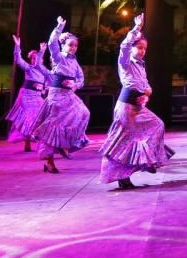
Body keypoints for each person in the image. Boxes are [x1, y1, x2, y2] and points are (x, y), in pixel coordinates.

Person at [98, 13, 171, 189]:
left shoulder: (141, 66)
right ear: (132, 48)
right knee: (124, 141)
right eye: (139, 47)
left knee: (158, 125)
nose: (142, 51)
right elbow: (124, 46)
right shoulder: (125, 62)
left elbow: (147, 87)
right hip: (126, 107)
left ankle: (148, 161)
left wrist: (147, 93)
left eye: (144, 48)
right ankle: (122, 177)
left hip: (138, 107)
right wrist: (136, 29)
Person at [32, 17, 90, 174]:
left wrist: (76, 84)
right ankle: (49, 162)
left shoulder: (74, 61)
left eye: (76, 45)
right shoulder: (59, 57)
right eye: (70, 45)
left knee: (84, 113)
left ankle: (66, 145)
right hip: (56, 96)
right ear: (63, 45)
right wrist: (59, 27)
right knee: (53, 128)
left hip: (69, 95)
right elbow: (52, 43)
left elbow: (81, 79)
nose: (73, 48)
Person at [4, 35, 48, 152]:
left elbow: (47, 87)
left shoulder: (45, 72)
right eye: (33, 58)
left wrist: (44, 89)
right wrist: (17, 46)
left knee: (42, 117)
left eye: (37, 58)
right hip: (26, 96)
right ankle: (28, 142)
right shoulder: (29, 68)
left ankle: (42, 142)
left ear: (42, 59)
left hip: (38, 97)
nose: (35, 60)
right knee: (29, 118)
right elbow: (18, 59)